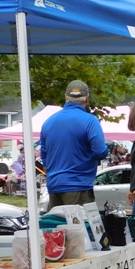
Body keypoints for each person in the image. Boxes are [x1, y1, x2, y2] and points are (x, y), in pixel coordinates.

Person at [40, 80, 109, 209]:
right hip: (78, 185)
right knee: (80, 222)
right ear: (87, 98)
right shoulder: (90, 121)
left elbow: (44, 157)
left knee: (57, 221)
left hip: (54, 186)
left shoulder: (48, 122)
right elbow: (100, 152)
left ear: (66, 97)